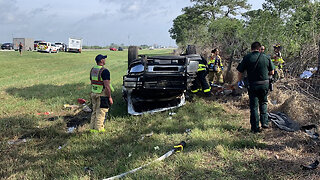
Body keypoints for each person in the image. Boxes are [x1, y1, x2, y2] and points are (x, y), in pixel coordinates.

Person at [237, 42, 275, 133]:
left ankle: (255, 128)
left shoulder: (247, 57)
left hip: (253, 85)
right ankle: (265, 123)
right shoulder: (266, 57)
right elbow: (272, 72)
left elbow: (240, 72)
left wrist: (239, 81)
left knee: (254, 106)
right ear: (259, 49)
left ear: (251, 49)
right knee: (264, 103)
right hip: (264, 85)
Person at [89, 54, 113, 132]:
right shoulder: (104, 71)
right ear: (101, 61)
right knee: (101, 112)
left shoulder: (93, 70)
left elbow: (92, 81)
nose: (105, 60)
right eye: (104, 59)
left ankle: (92, 129)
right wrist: (109, 97)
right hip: (101, 94)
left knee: (94, 111)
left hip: (93, 92)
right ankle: (99, 129)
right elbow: (107, 86)